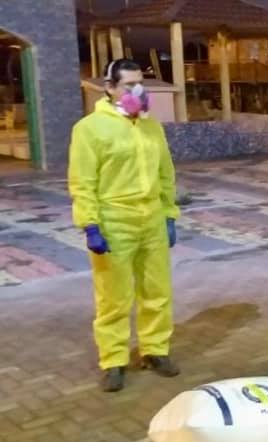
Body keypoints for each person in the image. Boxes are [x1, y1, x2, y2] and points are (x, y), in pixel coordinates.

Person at [68, 59, 181, 392]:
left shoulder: (151, 127)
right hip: (114, 221)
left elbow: (165, 174)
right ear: (110, 88)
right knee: (114, 298)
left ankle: (155, 350)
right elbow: (82, 181)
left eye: (140, 83)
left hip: (152, 219)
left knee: (157, 292)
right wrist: (90, 224)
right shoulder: (90, 129)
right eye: (129, 85)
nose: (138, 90)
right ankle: (113, 360)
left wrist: (169, 214)